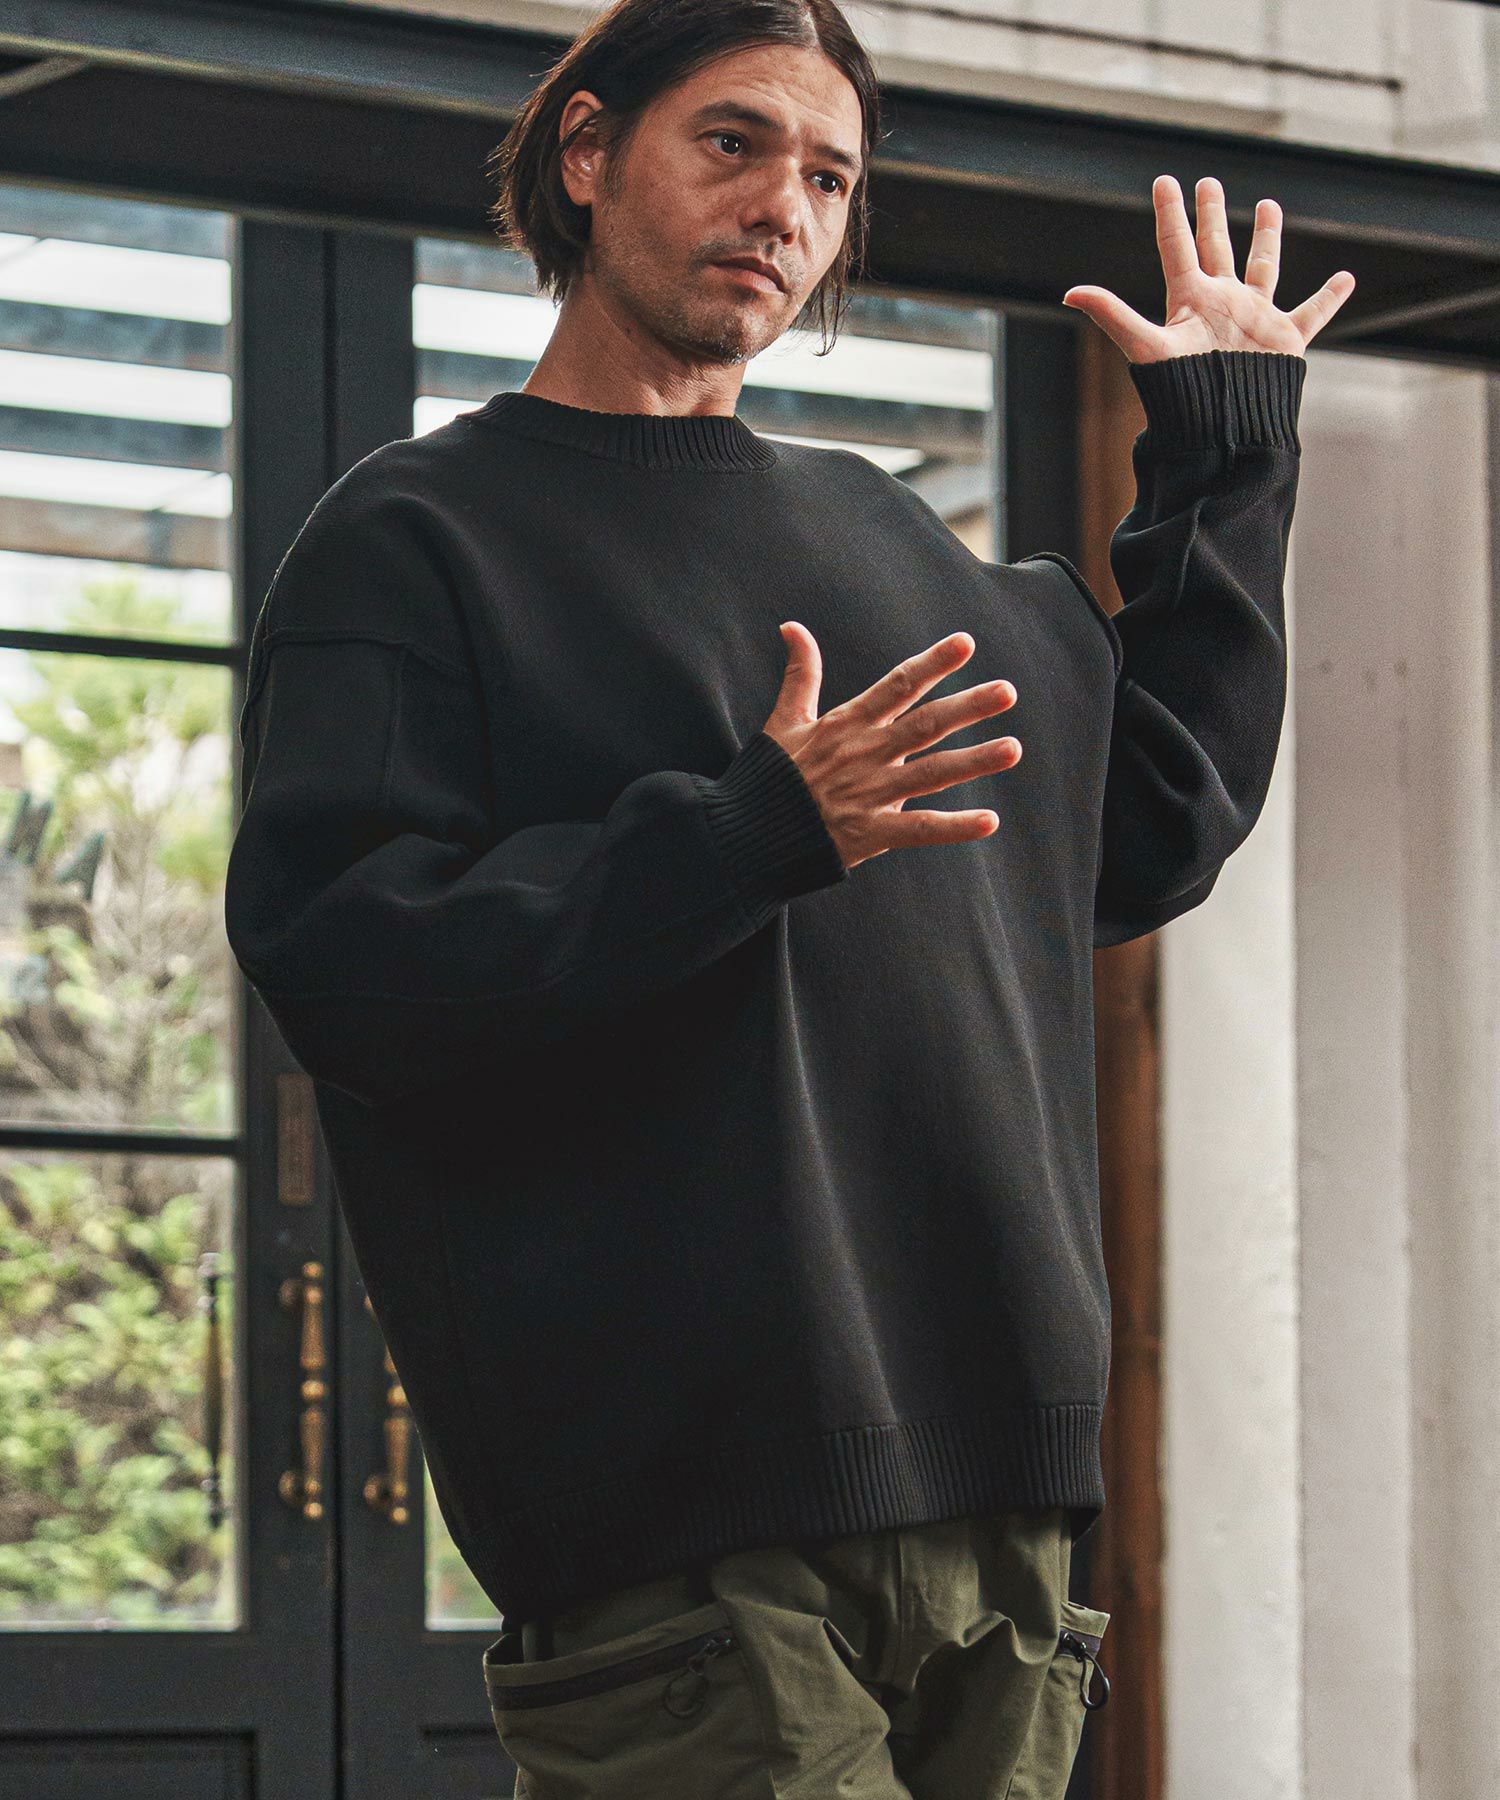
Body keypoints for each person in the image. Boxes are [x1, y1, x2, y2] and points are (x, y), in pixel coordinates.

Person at [223, 0, 1354, 1792]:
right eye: (732, 142)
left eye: (829, 175)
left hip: (1000, 1521)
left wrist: (1226, 450)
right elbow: (351, 968)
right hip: (686, 1542)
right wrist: (751, 833)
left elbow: (1151, 821)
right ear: (588, 155)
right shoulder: (416, 539)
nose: (783, 207)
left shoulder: (889, 538)